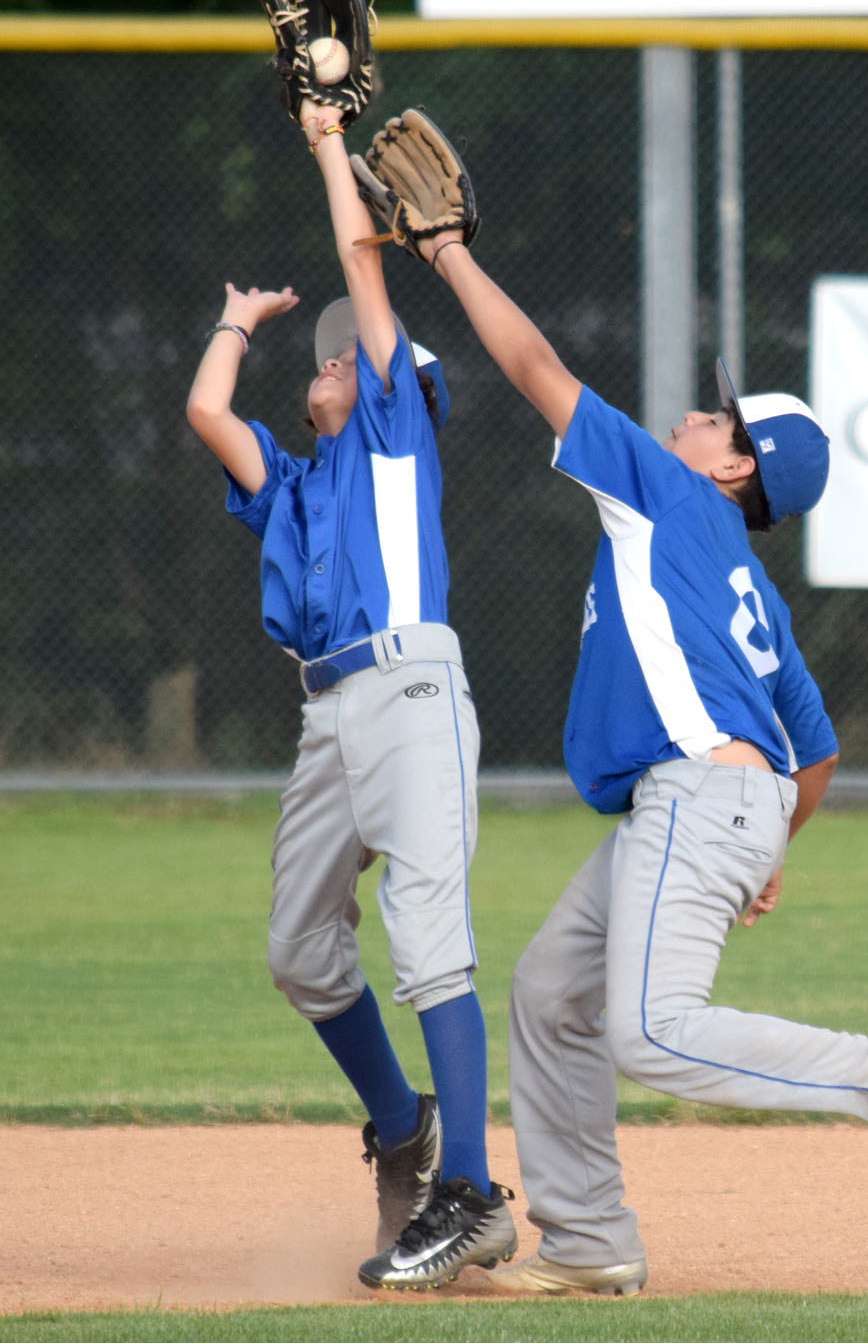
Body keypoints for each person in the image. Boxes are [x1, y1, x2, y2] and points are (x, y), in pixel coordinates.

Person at [407, 224, 868, 1297]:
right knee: (550, 994)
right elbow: (818, 748)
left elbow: (534, 367)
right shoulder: (747, 585)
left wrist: (446, 256)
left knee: (655, 1029)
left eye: (718, 416)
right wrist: (768, 847)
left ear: (734, 467)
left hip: (697, 794)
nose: (695, 413)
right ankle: (589, 1239)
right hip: (713, 800)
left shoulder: (668, 497)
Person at [184, 98, 516, 1293]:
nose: (330, 358)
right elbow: (209, 413)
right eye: (325, 354)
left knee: (429, 943)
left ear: (395, 390)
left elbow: (357, 261)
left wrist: (329, 141)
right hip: (327, 716)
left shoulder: (391, 438)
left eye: (349, 353)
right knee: (298, 950)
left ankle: (470, 1190)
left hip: (412, 688)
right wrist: (232, 322)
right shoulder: (296, 481)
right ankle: (405, 1123)